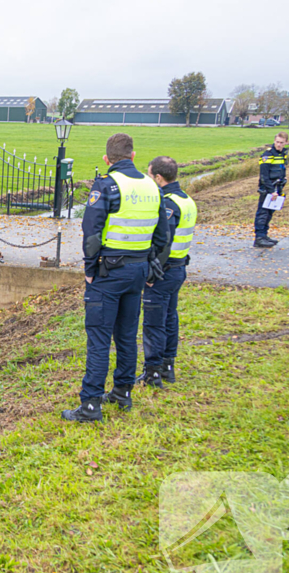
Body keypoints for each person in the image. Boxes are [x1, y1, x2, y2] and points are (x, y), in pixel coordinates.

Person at [62, 133, 169, 423]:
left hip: (109, 271)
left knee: (98, 338)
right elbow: (163, 235)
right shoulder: (152, 186)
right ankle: (123, 391)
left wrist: (88, 268)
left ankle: (91, 405)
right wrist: (153, 269)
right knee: (126, 335)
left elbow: (92, 232)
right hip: (138, 271)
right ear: (133, 156)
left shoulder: (106, 185)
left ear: (107, 159)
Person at [140, 156, 196, 388]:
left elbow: (164, 242)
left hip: (165, 272)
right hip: (179, 268)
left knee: (154, 323)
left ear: (159, 178)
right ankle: (167, 366)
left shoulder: (168, 203)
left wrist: (152, 275)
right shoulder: (187, 200)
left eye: (151, 175)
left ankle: (152, 373)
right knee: (170, 317)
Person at [253, 132, 289, 248]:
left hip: (277, 187)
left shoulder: (282, 154)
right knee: (263, 213)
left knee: (269, 213)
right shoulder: (268, 155)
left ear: (286, 143)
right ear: (274, 141)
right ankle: (259, 238)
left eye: (281, 143)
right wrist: (271, 190)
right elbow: (264, 175)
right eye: (277, 142)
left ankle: (264, 235)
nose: (279, 145)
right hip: (268, 188)